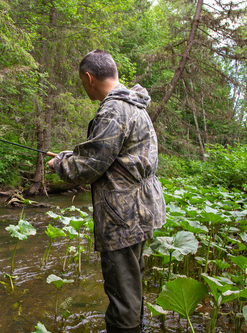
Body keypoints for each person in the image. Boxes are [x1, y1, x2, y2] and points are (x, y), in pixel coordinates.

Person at [47, 49, 166, 333]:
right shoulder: (135, 104)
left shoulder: (114, 109)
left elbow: (90, 165)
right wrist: (69, 155)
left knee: (122, 293)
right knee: (132, 285)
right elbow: (111, 155)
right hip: (141, 210)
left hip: (123, 215)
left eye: (81, 81)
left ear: (89, 78)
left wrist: (60, 164)